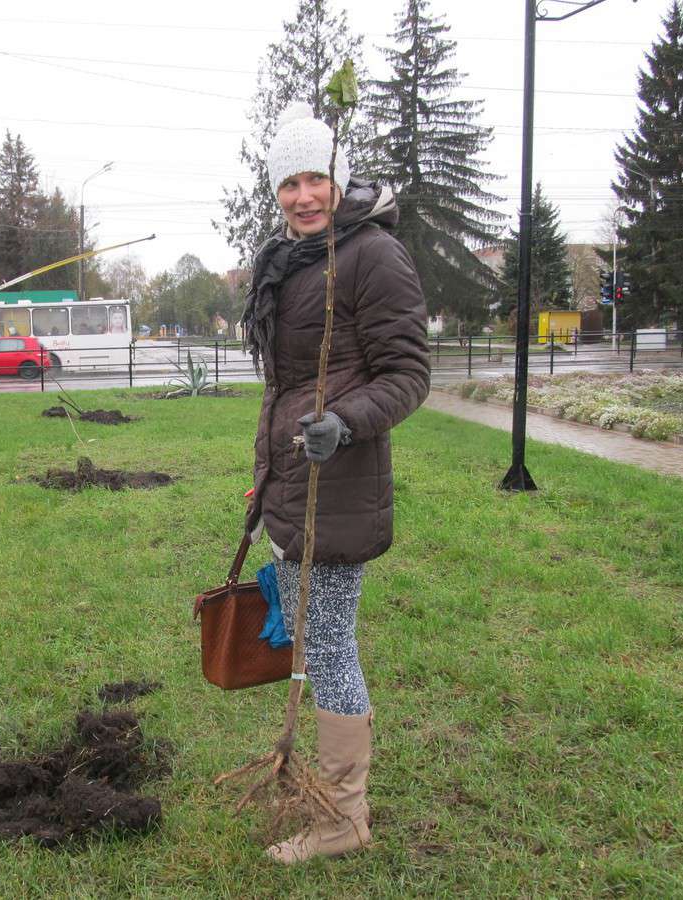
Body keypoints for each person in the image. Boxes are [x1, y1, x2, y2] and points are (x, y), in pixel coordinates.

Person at [240, 102, 430, 864]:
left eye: (315, 176)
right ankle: (327, 796)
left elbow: (409, 373)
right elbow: (282, 387)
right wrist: (262, 478)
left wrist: (344, 422)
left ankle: (343, 818)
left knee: (328, 645)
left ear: (337, 176)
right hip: (292, 481)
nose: (303, 196)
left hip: (340, 481)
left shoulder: (372, 254)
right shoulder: (287, 260)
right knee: (315, 641)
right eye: (288, 182)